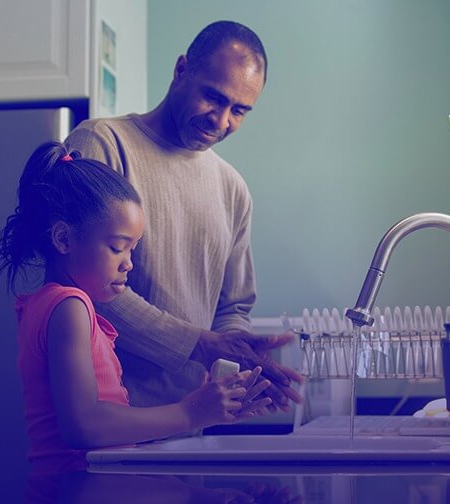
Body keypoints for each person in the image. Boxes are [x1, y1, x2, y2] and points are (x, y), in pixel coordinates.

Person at [65, 20, 303, 410]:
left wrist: (237, 364)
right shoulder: (102, 144)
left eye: (240, 110)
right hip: (107, 418)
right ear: (181, 71)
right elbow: (84, 283)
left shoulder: (233, 189)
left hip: (193, 421)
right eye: (213, 97)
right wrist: (199, 344)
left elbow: (233, 308)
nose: (222, 120)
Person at [0, 141, 271, 473]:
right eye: (117, 248)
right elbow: (83, 426)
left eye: (132, 250)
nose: (129, 264)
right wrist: (191, 412)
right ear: (64, 239)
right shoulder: (70, 306)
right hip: (74, 490)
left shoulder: (48, 304)